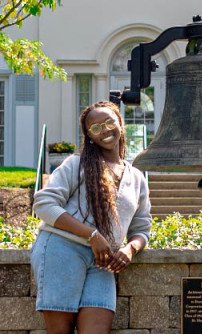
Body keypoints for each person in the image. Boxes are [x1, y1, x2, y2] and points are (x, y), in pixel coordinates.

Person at [31, 100, 152, 334]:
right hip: (62, 251)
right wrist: (92, 234)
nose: (104, 130)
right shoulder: (77, 164)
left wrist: (129, 250)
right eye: (95, 128)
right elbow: (44, 203)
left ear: (120, 123)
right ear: (89, 136)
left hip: (103, 264)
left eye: (109, 122)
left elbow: (142, 228)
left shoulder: (137, 178)